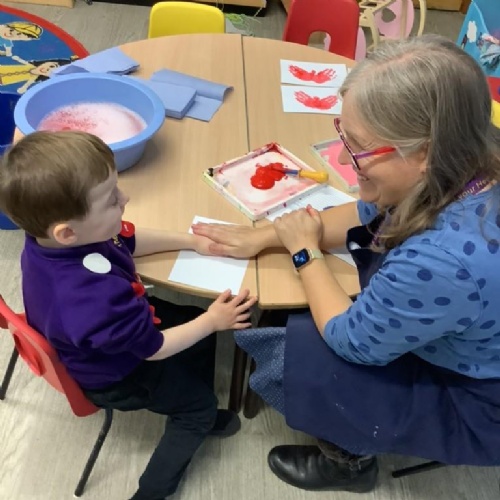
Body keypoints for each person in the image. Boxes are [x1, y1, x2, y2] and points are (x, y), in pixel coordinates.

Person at [192, 34, 500, 493]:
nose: (343, 158)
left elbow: (351, 340)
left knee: (301, 358)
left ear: (425, 152)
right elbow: (367, 209)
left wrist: (303, 252)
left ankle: (350, 463)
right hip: (470, 330)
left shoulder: (444, 259)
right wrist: (267, 235)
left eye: (357, 147)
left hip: (477, 396)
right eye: (344, 135)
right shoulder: (467, 155)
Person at [0, 131, 257, 500]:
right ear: (67, 232)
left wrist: (193, 242)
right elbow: (153, 349)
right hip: (117, 374)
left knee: (194, 322)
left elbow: (127, 240)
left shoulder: (53, 239)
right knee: (198, 408)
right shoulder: (95, 301)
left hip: (119, 333)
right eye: (111, 199)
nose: (125, 199)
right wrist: (213, 321)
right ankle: (152, 491)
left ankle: (191, 387)